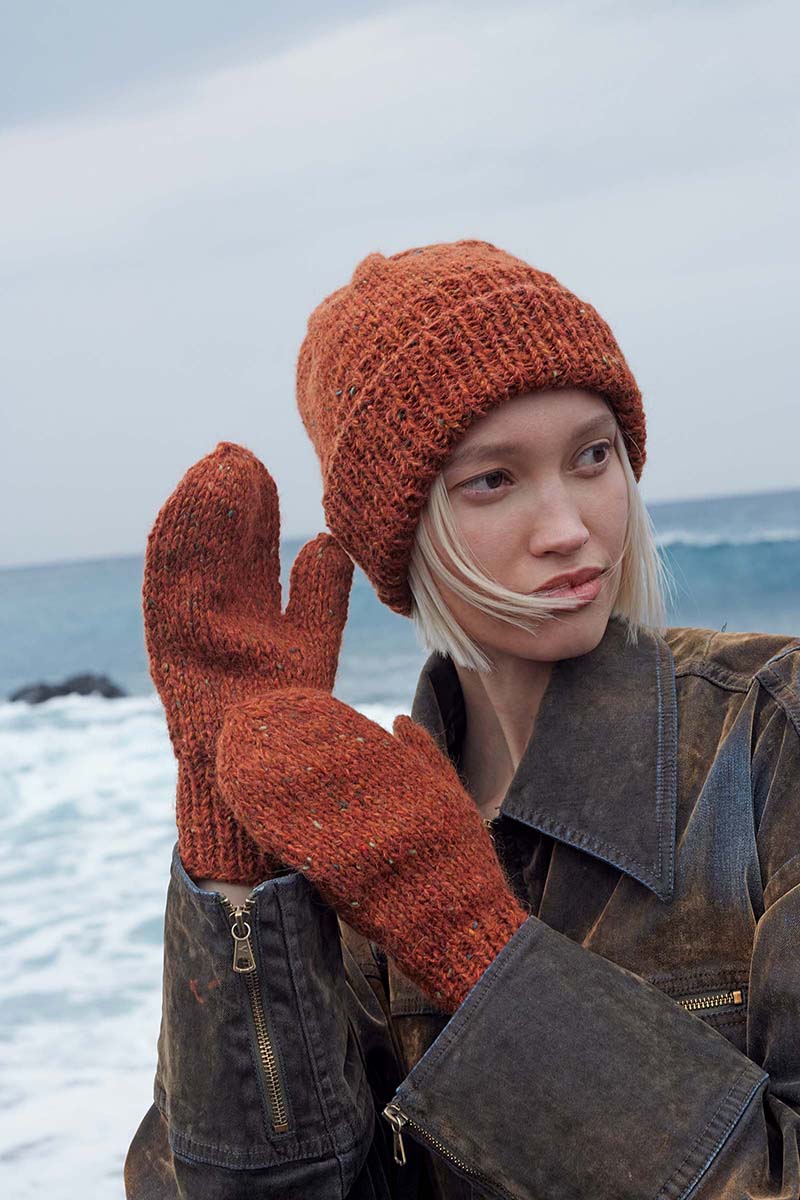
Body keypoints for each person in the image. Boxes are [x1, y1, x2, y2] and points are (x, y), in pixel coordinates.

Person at [124, 239, 800, 1199]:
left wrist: (481, 955)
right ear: (399, 531)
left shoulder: (772, 734)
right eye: (492, 480)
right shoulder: (358, 838)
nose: (568, 526)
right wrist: (238, 865)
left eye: (593, 456)